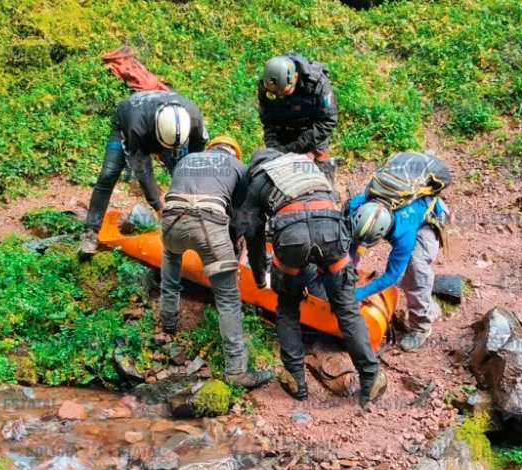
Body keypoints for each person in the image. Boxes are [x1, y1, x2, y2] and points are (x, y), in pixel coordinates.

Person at [240, 148, 386, 405]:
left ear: (257, 165)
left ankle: (296, 378)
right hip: (331, 229)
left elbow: (251, 233)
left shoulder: (259, 179)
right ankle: (371, 378)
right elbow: (331, 203)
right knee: (347, 308)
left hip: (291, 237)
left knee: (287, 307)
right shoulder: (307, 164)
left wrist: (260, 275)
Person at [159, 137, 272, 388]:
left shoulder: (187, 159)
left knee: (171, 257)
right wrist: (248, 261)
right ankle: (236, 371)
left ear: (211, 149)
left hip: (170, 222)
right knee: (228, 299)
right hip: (208, 225)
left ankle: (167, 323)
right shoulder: (237, 167)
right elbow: (243, 217)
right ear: (235, 153)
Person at [78, 90, 208, 258]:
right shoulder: (136, 127)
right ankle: (90, 233)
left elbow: (196, 156)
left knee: (182, 171)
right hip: (127, 122)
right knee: (108, 174)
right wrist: (159, 207)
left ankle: (192, 226)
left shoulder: (193, 118)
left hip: (170, 136)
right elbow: (143, 170)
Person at [347, 151, 451, 352]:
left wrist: (358, 294)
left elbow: (392, 276)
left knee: (414, 268)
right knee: (349, 245)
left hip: (427, 220)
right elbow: (349, 241)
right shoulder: (356, 205)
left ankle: (421, 327)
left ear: (385, 232)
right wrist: (346, 267)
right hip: (394, 208)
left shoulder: (404, 230)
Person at [258, 53, 338, 182]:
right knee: (271, 172)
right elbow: (267, 121)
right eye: (275, 94)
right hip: (282, 131)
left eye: (284, 92)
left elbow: (328, 120)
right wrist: (274, 148)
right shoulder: (267, 85)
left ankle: (329, 194)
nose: (280, 97)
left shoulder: (317, 83)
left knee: (322, 166)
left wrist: (295, 148)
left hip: (312, 131)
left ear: (295, 77)